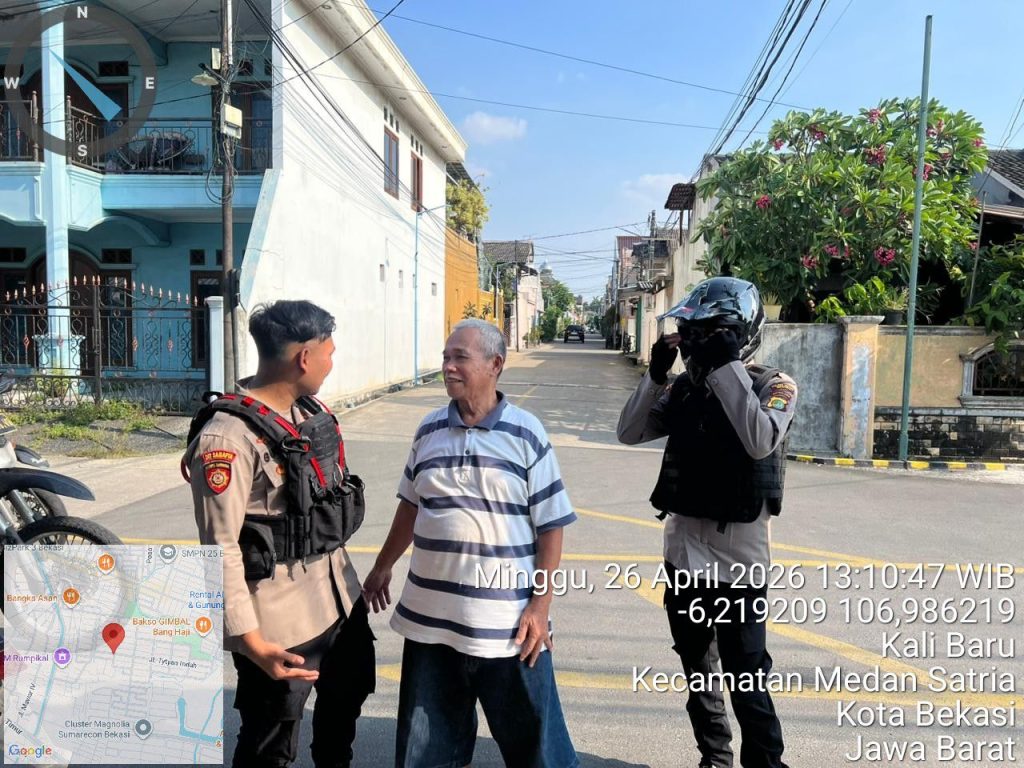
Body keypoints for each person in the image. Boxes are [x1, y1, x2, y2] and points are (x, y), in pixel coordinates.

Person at [363, 318, 579, 768]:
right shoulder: (427, 430)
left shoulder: (527, 434)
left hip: (509, 629)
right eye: (445, 357)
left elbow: (551, 526)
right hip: (430, 625)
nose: (448, 367)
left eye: (459, 357)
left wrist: (540, 608)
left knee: (539, 754)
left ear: (495, 364)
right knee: (426, 755)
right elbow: (410, 506)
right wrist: (383, 566)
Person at [185, 300, 374, 768]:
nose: (332, 363)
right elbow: (220, 547)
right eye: (329, 353)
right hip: (277, 626)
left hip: (339, 604)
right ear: (304, 358)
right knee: (269, 747)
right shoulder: (226, 438)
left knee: (340, 723)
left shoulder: (306, 411)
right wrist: (250, 642)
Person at [617, 277, 796, 768]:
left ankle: (765, 762)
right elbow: (629, 432)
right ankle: (714, 759)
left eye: (708, 332)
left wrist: (728, 366)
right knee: (698, 672)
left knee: (747, 677)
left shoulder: (774, 386)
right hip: (684, 560)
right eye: (690, 331)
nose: (695, 342)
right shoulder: (681, 391)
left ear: (741, 334)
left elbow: (760, 440)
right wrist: (655, 375)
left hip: (739, 567)